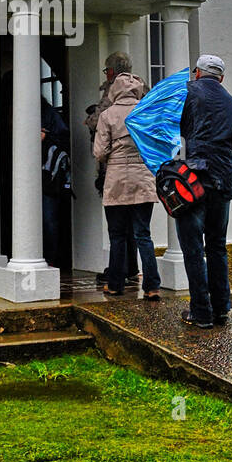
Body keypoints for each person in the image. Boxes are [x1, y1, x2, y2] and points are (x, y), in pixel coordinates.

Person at [175, 54, 232, 328]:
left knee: (193, 248)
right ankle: (221, 308)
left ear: (198, 73)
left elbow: (176, 125)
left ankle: (200, 311)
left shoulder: (189, 93)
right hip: (223, 178)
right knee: (217, 246)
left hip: (195, 178)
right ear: (221, 78)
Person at [92, 72, 161, 298]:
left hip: (117, 179)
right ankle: (152, 286)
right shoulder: (147, 111)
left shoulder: (107, 115)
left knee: (117, 235)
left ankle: (115, 284)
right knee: (144, 235)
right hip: (143, 177)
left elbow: (99, 152)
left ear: (115, 91)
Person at [86, 51, 146, 286]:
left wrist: (91, 117)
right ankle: (139, 273)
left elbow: (98, 122)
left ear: (112, 71)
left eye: (107, 70)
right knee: (140, 229)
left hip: (116, 169)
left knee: (118, 228)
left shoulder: (116, 92)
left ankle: (119, 272)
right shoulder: (143, 91)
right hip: (143, 170)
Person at [41, 97, 70, 268]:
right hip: (44, 175)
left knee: (49, 219)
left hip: (49, 176)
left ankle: (50, 259)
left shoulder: (49, 114)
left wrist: (47, 137)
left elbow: (64, 139)